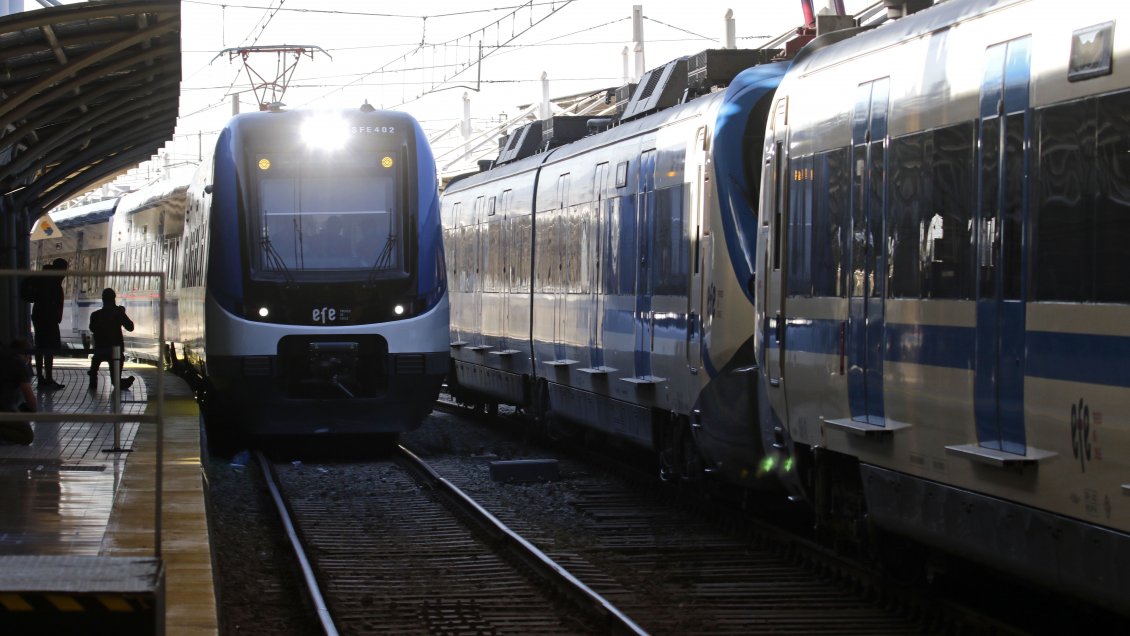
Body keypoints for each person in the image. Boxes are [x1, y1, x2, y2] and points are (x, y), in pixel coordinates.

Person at [30, 258, 67, 389]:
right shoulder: (52, 281)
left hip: (39, 317)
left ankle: (42, 378)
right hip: (48, 318)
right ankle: (48, 379)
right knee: (48, 348)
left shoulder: (44, 278)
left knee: (41, 347)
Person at [88, 288, 135, 392]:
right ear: (114, 299)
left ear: (103, 300)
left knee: (96, 358)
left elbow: (92, 328)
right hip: (115, 351)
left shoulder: (95, 315)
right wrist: (122, 313)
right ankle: (118, 381)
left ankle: (93, 377)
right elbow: (130, 327)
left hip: (100, 350)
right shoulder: (118, 313)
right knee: (115, 382)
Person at [1, 339, 36, 445]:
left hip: (6, 405)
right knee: (27, 436)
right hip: (3, 408)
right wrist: (38, 413)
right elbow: (30, 399)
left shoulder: (4, 358)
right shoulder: (18, 363)